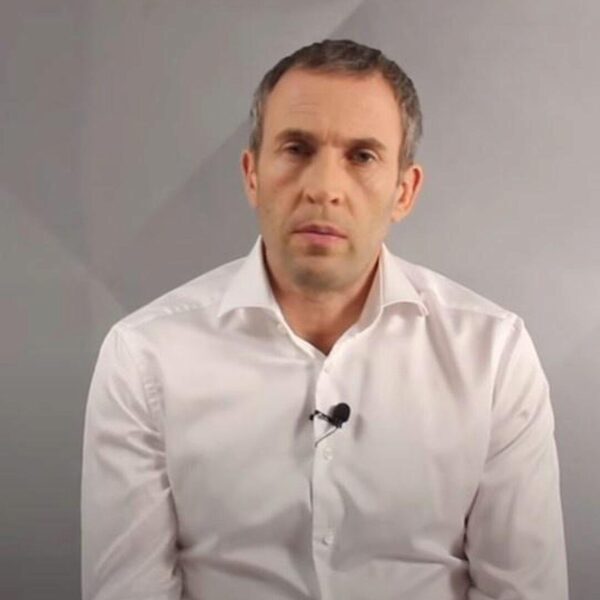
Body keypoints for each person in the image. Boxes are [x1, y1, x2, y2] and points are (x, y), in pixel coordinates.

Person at [81, 39, 568, 600]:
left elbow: (524, 591)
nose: (323, 189)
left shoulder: (494, 355)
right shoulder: (145, 357)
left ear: (404, 190)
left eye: (362, 157)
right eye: (296, 149)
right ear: (252, 174)